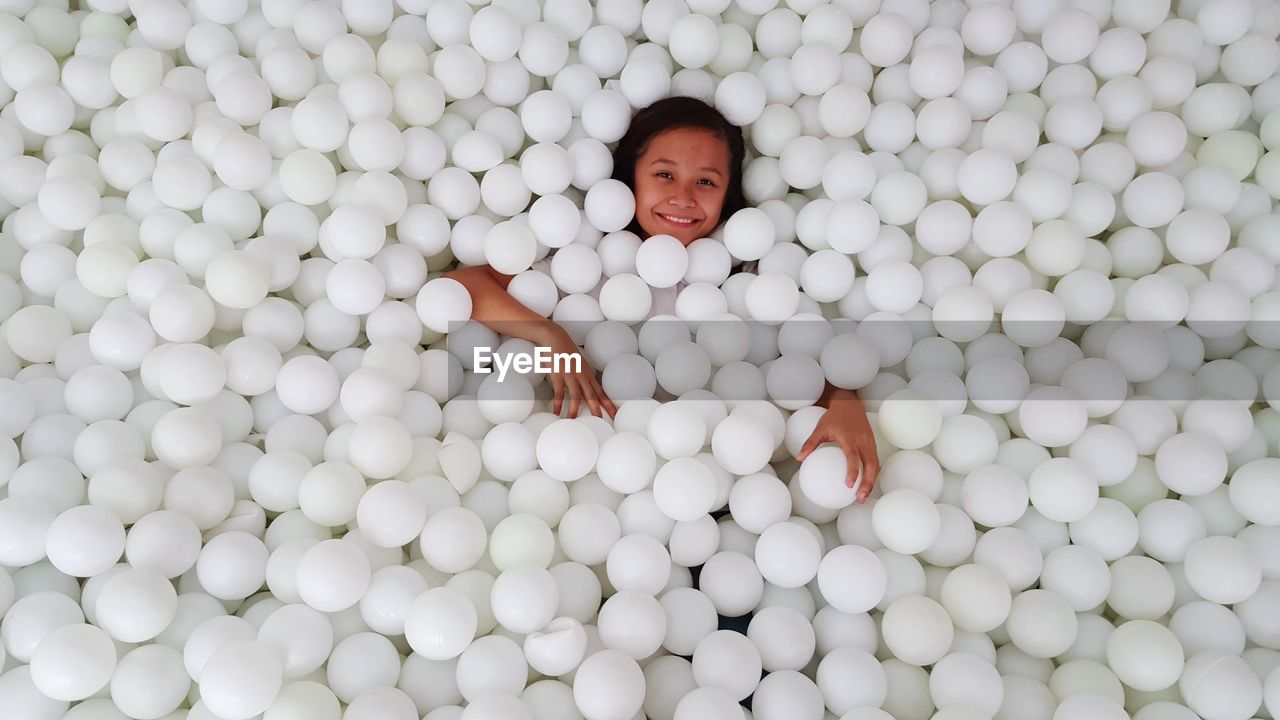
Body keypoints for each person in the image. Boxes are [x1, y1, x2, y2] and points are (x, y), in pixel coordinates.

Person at [444, 96, 880, 502]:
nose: (683, 197)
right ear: (629, 175)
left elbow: (793, 362)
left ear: (728, 194)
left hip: (706, 483)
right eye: (665, 174)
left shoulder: (744, 278)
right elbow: (463, 287)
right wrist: (550, 337)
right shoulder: (584, 258)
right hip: (582, 473)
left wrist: (845, 403)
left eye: (706, 182)